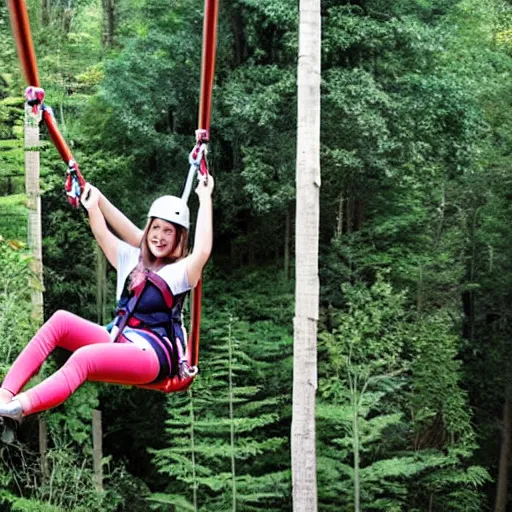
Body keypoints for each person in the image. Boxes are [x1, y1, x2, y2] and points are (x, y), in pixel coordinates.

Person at [0, 174, 214, 421]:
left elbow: (203, 250)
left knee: (84, 357)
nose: (160, 236)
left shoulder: (181, 272)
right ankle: (4, 395)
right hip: (118, 336)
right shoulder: (130, 259)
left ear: (179, 238)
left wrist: (205, 197)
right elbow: (103, 233)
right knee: (60, 321)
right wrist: (94, 205)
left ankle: (18, 408)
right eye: (155, 228)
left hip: (153, 353)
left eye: (168, 231)